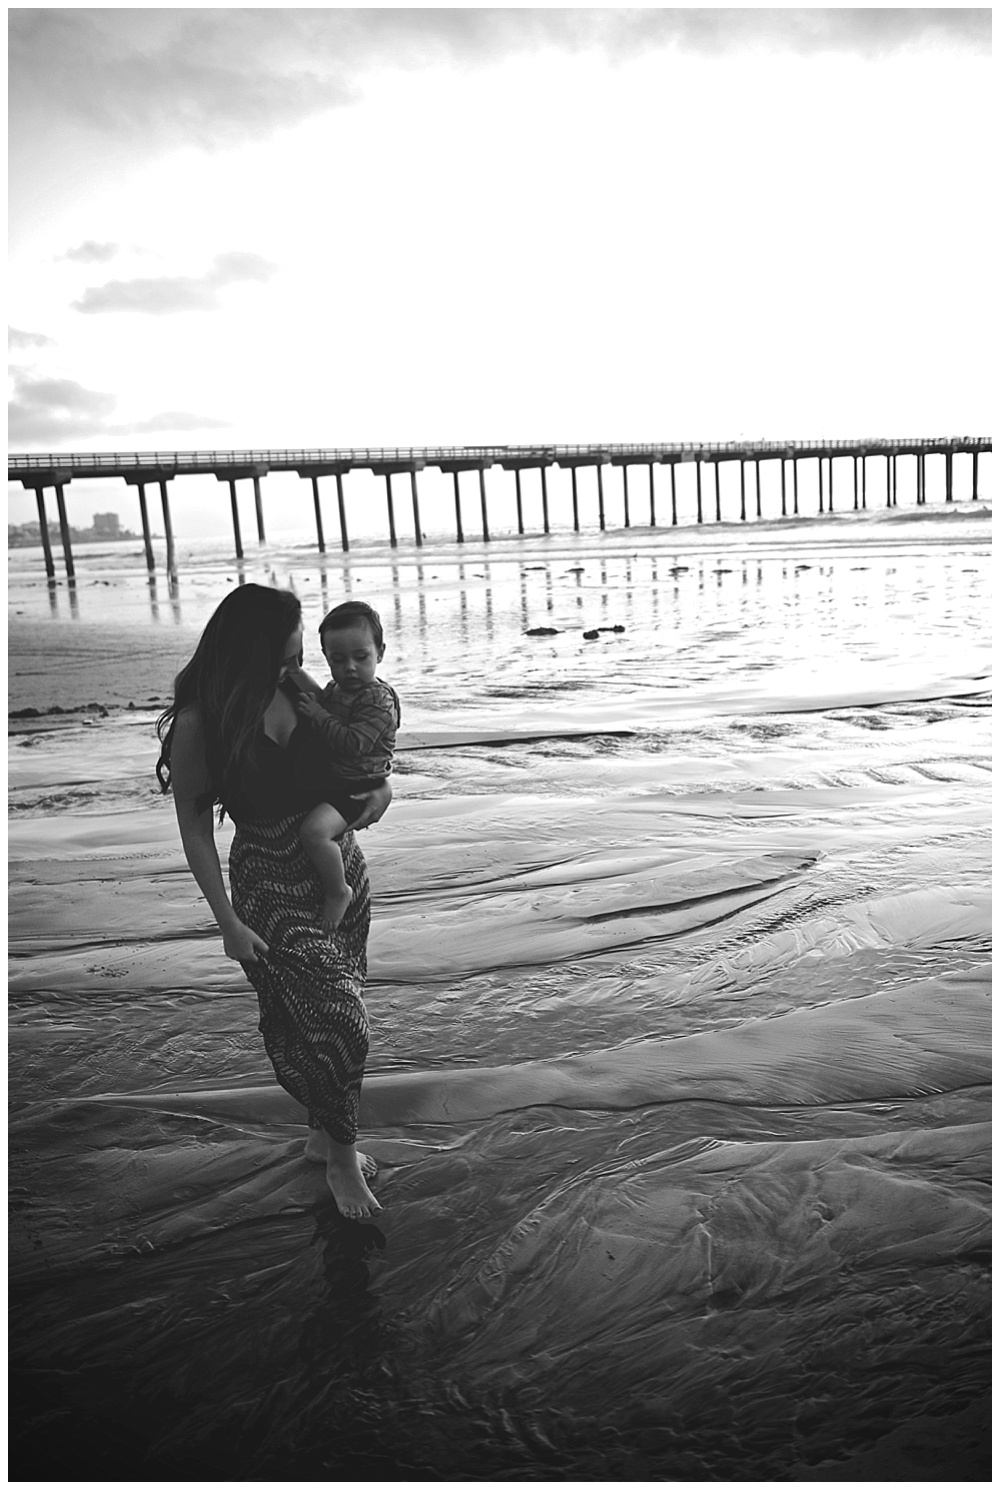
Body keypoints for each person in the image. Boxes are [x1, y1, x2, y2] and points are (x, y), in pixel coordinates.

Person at [155, 584, 390, 1221]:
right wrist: (226, 921)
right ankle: (343, 1162)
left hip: (338, 866)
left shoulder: (298, 689)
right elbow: (195, 828)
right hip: (265, 878)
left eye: (297, 657)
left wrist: (379, 798)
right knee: (339, 1016)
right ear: (252, 651)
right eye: (285, 657)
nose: (297, 669)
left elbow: (363, 766)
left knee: (336, 1001)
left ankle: (323, 1135)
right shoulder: (204, 721)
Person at [287, 602, 401, 936]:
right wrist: (294, 672)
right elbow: (318, 697)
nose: (349, 668)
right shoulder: (338, 690)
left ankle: (339, 890)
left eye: (360, 657)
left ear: (379, 652)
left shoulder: (378, 700)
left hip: (357, 787)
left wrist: (318, 716)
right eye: (337, 660)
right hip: (337, 782)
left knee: (314, 832)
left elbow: (352, 743)